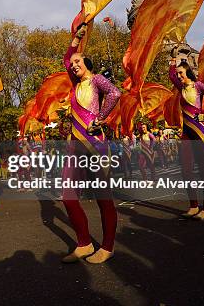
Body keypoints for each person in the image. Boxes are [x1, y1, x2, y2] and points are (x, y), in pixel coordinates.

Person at [60, 25, 120, 264]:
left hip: (96, 144)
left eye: (78, 61)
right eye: (73, 63)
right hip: (75, 145)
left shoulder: (97, 80)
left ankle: (107, 246)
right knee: (67, 196)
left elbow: (115, 94)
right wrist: (76, 39)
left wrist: (101, 118)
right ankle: (84, 243)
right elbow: (66, 58)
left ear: (87, 63)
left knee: (103, 197)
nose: (74, 65)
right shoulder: (75, 86)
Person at [169, 48, 204, 220]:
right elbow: (171, 75)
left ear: (188, 71)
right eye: (178, 74)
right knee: (186, 169)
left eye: (181, 73)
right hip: (186, 132)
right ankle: (193, 205)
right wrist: (173, 58)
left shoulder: (198, 86)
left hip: (200, 130)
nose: (179, 76)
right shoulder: (180, 87)